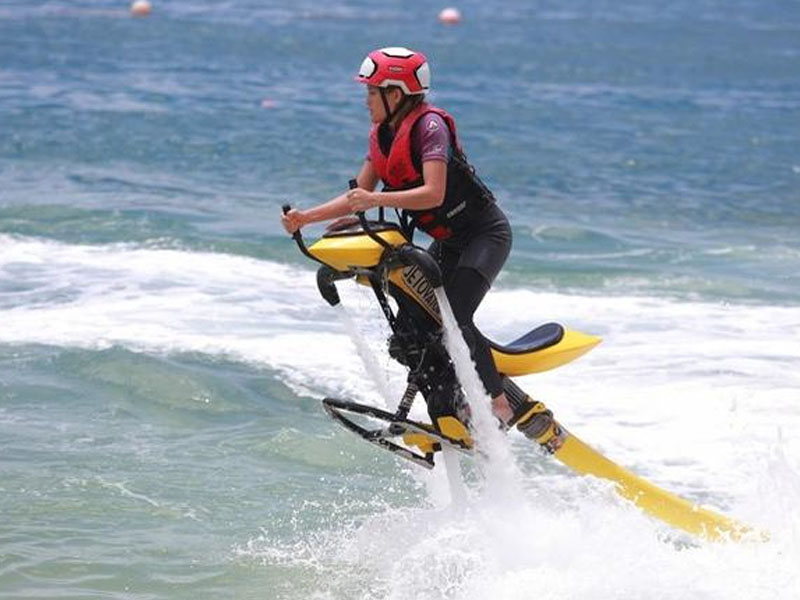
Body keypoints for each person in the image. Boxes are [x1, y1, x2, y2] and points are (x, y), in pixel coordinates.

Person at [282, 47, 541, 433]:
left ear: (396, 93)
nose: (366, 100)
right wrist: (306, 217)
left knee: (454, 316)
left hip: (484, 236)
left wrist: (375, 201)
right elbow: (357, 197)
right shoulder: (383, 136)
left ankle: (499, 406)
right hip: (448, 242)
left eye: (372, 92)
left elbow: (433, 193)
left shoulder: (430, 127)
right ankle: (454, 409)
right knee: (409, 333)